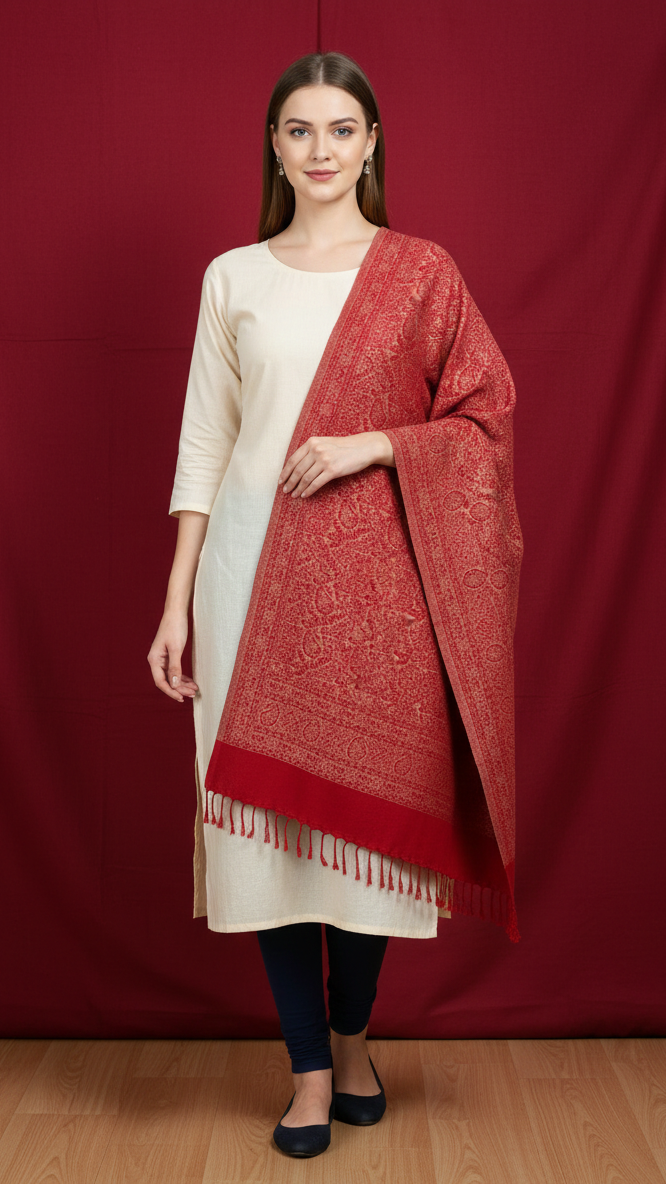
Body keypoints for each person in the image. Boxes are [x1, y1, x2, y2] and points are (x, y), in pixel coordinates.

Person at [148, 51, 523, 1159]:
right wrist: (176, 602)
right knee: (267, 848)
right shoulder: (233, 276)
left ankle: (354, 1040)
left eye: (342, 129)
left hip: (379, 594)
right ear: (275, 148)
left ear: (371, 146)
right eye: (301, 130)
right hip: (245, 579)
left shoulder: (421, 273)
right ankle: (309, 1069)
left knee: (371, 838)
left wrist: (377, 444)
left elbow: (485, 419)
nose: (322, 150)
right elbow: (205, 445)